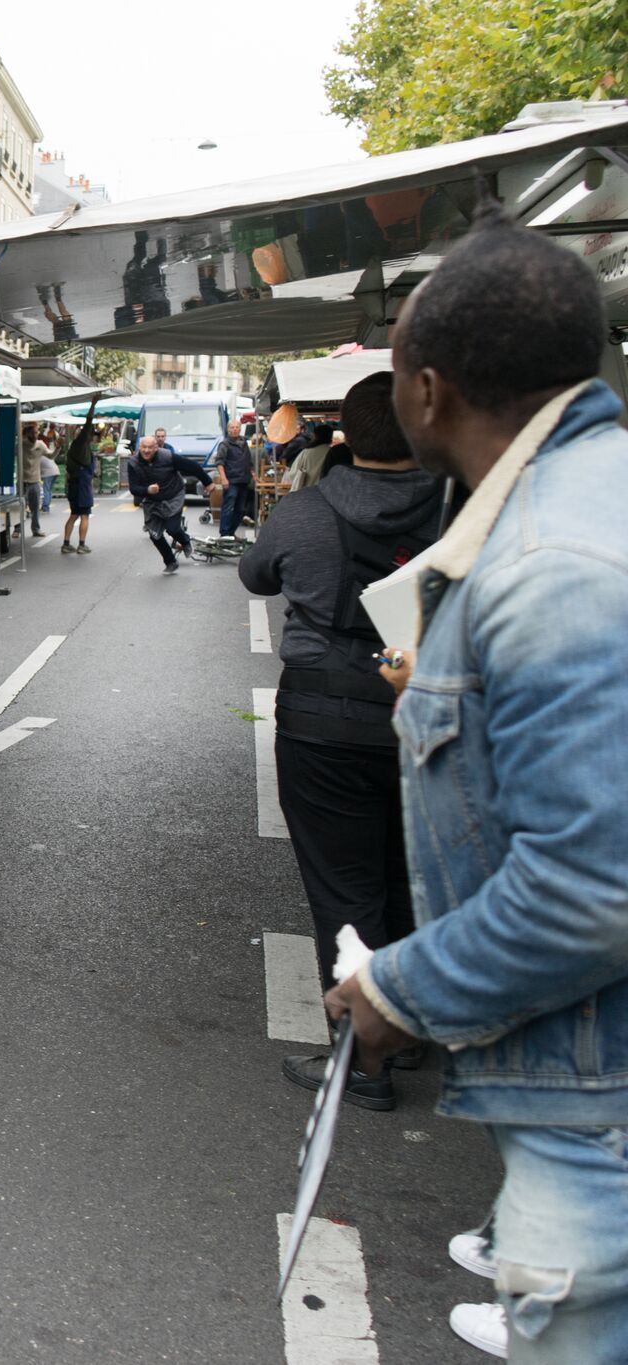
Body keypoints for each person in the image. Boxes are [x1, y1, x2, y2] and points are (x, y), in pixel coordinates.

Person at [324, 213, 628, 1364]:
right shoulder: (572, 508)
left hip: (595, 1117)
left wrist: (399, 989)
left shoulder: (553, 565)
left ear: (428, 391)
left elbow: (590, 885)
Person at [240, 372, 440, 1109]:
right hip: (429, 717)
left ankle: (365, 1062)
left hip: (326, 725)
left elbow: (256, 575)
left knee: (346, 893)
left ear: (348, 434)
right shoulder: (461, 508)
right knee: (407, 878)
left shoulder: (309, 509)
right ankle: (407, 1027)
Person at [127, 435, 209, 572]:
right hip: (152, 500)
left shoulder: (168, 457)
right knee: (154, 535)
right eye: (143, 447)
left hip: (173, 495)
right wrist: (147, 490)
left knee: (172, 528)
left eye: (150, 447)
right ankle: (170, 561)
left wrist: (208, 482)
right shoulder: (133, 463)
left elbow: (193, 467)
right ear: (139, 448)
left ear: (156, 448)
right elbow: (133, 488)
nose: (146, 450)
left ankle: (185, 541)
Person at [61, 400, 99, 554]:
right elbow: (88, 422)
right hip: (82, 485)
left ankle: (66, 544)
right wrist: (93, 404)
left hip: (74, 483)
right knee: (85, 515)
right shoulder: (81, 443)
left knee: (74, 514)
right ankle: (82, 545)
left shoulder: (73, 448)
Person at [214, 424, 257, 539]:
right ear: (227, 430)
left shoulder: (243, 442)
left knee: (240, 509)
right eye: (232, 428)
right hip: (231, 480)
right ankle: (224, 534)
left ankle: (231, 533)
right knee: (228, 506)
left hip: (244, 480)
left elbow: (249, 461)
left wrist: (253, 473)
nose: (234, 430)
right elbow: (219, 462)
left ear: (240, 429)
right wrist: (223, 478)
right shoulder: (224, 444)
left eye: (237, 427)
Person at [286, 422, 337, 490]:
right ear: (330, 437)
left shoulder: (306, 452)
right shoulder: (333, 453)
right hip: (326, 491)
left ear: (315, 436)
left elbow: (293, 473)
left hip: (306, 491)